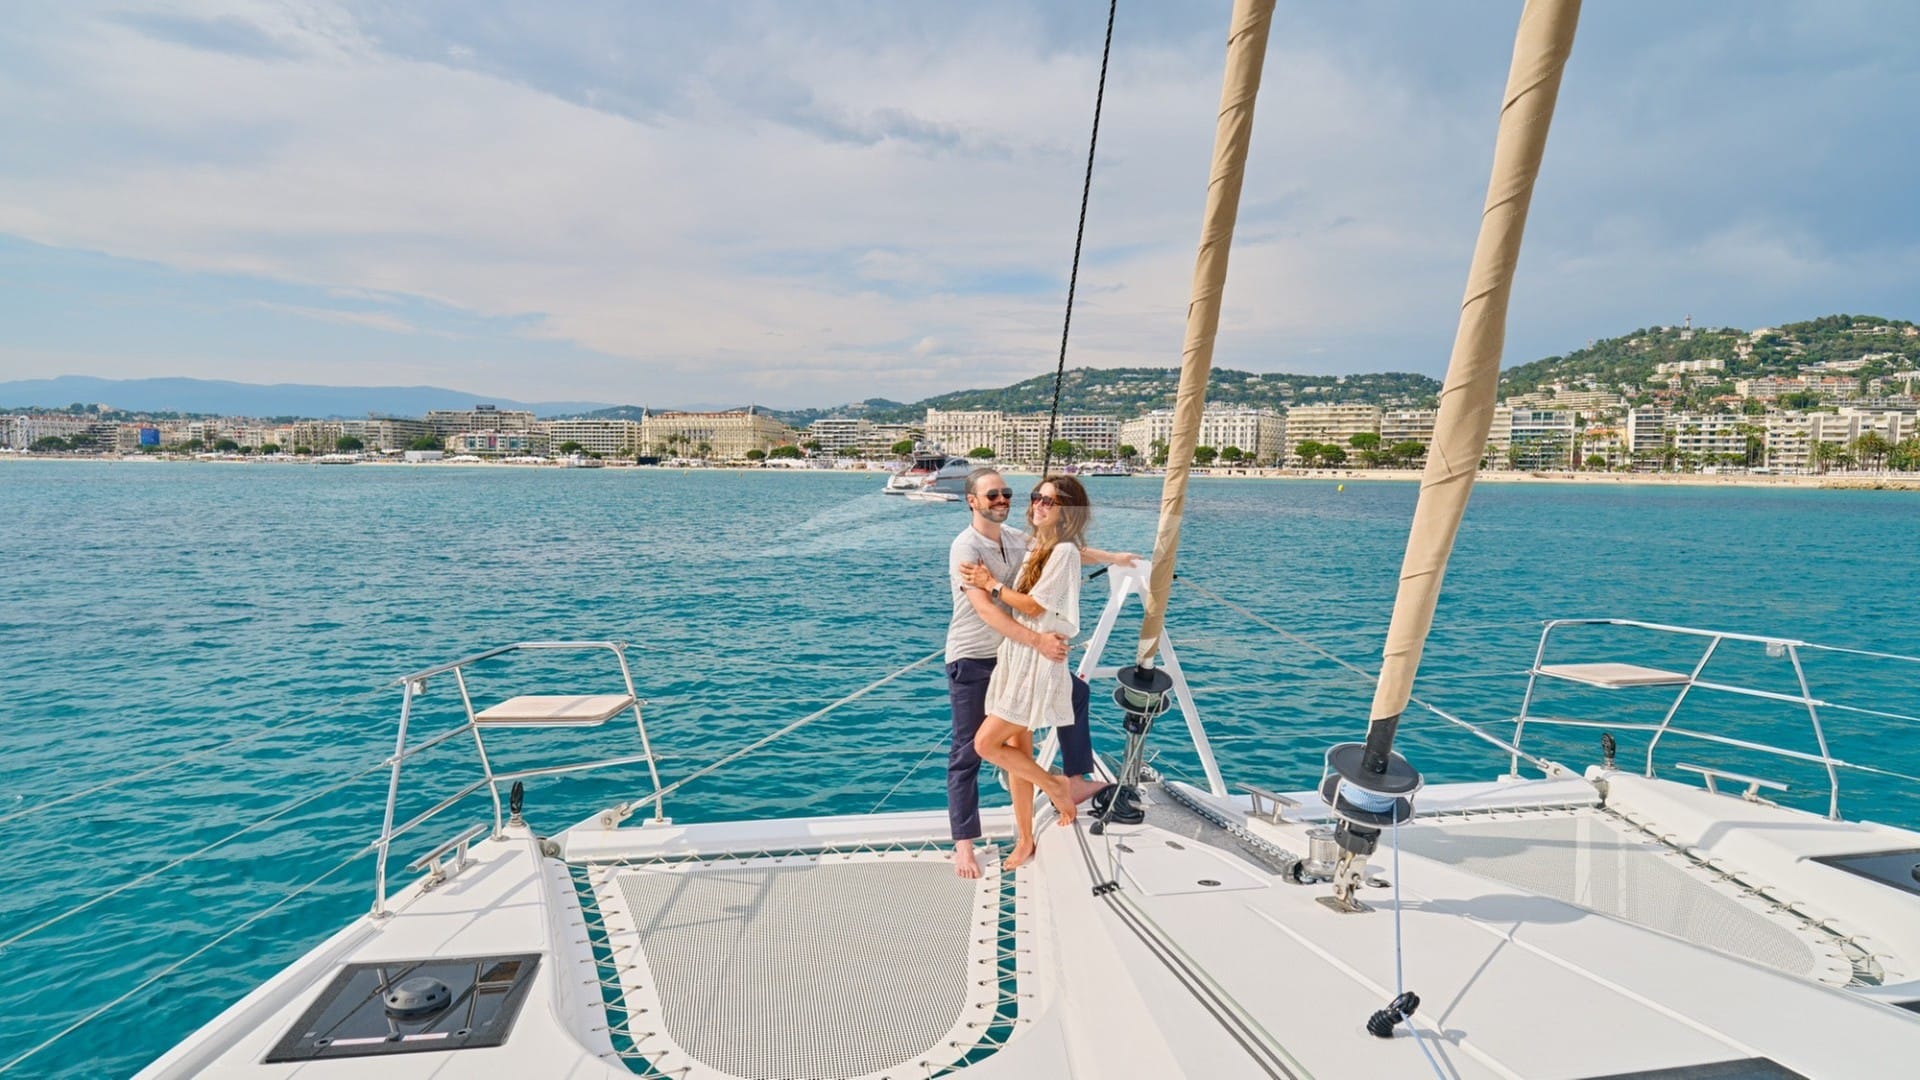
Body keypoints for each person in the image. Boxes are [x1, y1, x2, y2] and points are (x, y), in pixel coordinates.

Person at [945, 469, 1133, 877]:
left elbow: (1066, 552)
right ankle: (965, 844)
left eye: (1008, 492)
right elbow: (985, 610)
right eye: (992, 494)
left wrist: (1114, 558)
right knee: (970, 749)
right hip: (976, 655)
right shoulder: (966, 546)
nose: (1003, 499)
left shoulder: (1019, 539)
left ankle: (1029, 832)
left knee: (1022, 744)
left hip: (1016, 655)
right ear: (972, 501)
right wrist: (1036, 639)